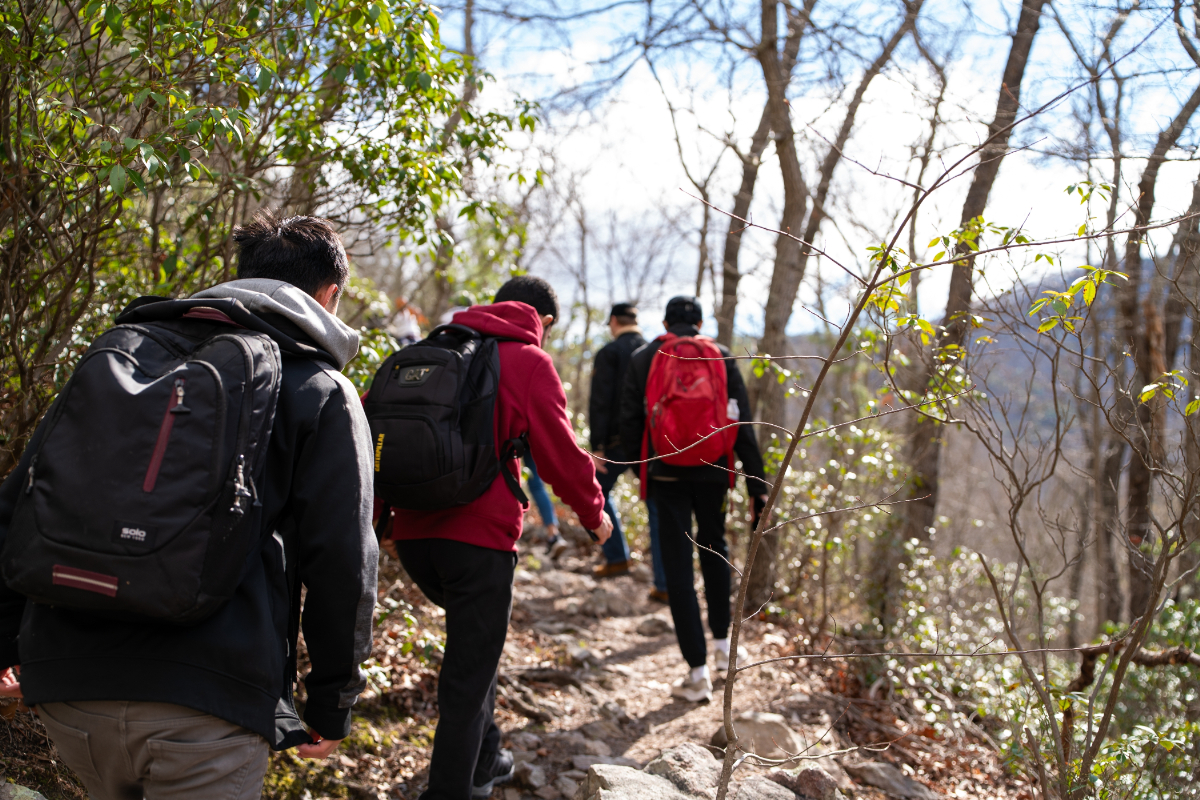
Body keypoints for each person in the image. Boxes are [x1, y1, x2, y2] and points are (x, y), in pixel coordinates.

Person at [0, 213, 379, 797]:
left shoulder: (122, 352)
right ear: (329, 295)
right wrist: (332, 703)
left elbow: (20, 503)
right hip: (209, 707)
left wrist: (9, 645)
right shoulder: (320, 387)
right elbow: (344, 560)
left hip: (69, 691)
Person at [379, 275, 612, 800]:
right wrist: (593, 513)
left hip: (413, 537)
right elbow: (559, 453)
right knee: (466, 677)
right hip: (478, 544)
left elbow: (370, 424)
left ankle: (486, 760)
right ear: (543, 320)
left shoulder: (431, 349)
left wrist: (379, 520)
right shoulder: (528, 361)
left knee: (475, 652)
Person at [619, 295, 769, 703]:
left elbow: (629, 422)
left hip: (665, 473)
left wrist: (640, 469)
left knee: (677, 566)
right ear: (701, 324)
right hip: (714, 471)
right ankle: (722, 648)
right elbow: (742, 421)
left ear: (665, 323)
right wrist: (757, 484)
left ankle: (696, 673)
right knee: (715, 548)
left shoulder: (644, 357)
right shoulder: (721, 355)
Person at [587, 304, 668, 601]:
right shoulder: (654, 351)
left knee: (595, 491)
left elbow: (600, 401)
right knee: (656, 508)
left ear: (613, 321)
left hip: (616, 443)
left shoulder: (610, 352)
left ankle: (617, 557)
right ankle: (663, 585)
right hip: (652, 442)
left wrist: (597, 445)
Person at [523, 454, 564, 558]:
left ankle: (553, 537)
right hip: (530, 445)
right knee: (537, 485)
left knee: (534, 485)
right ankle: (553, 534)